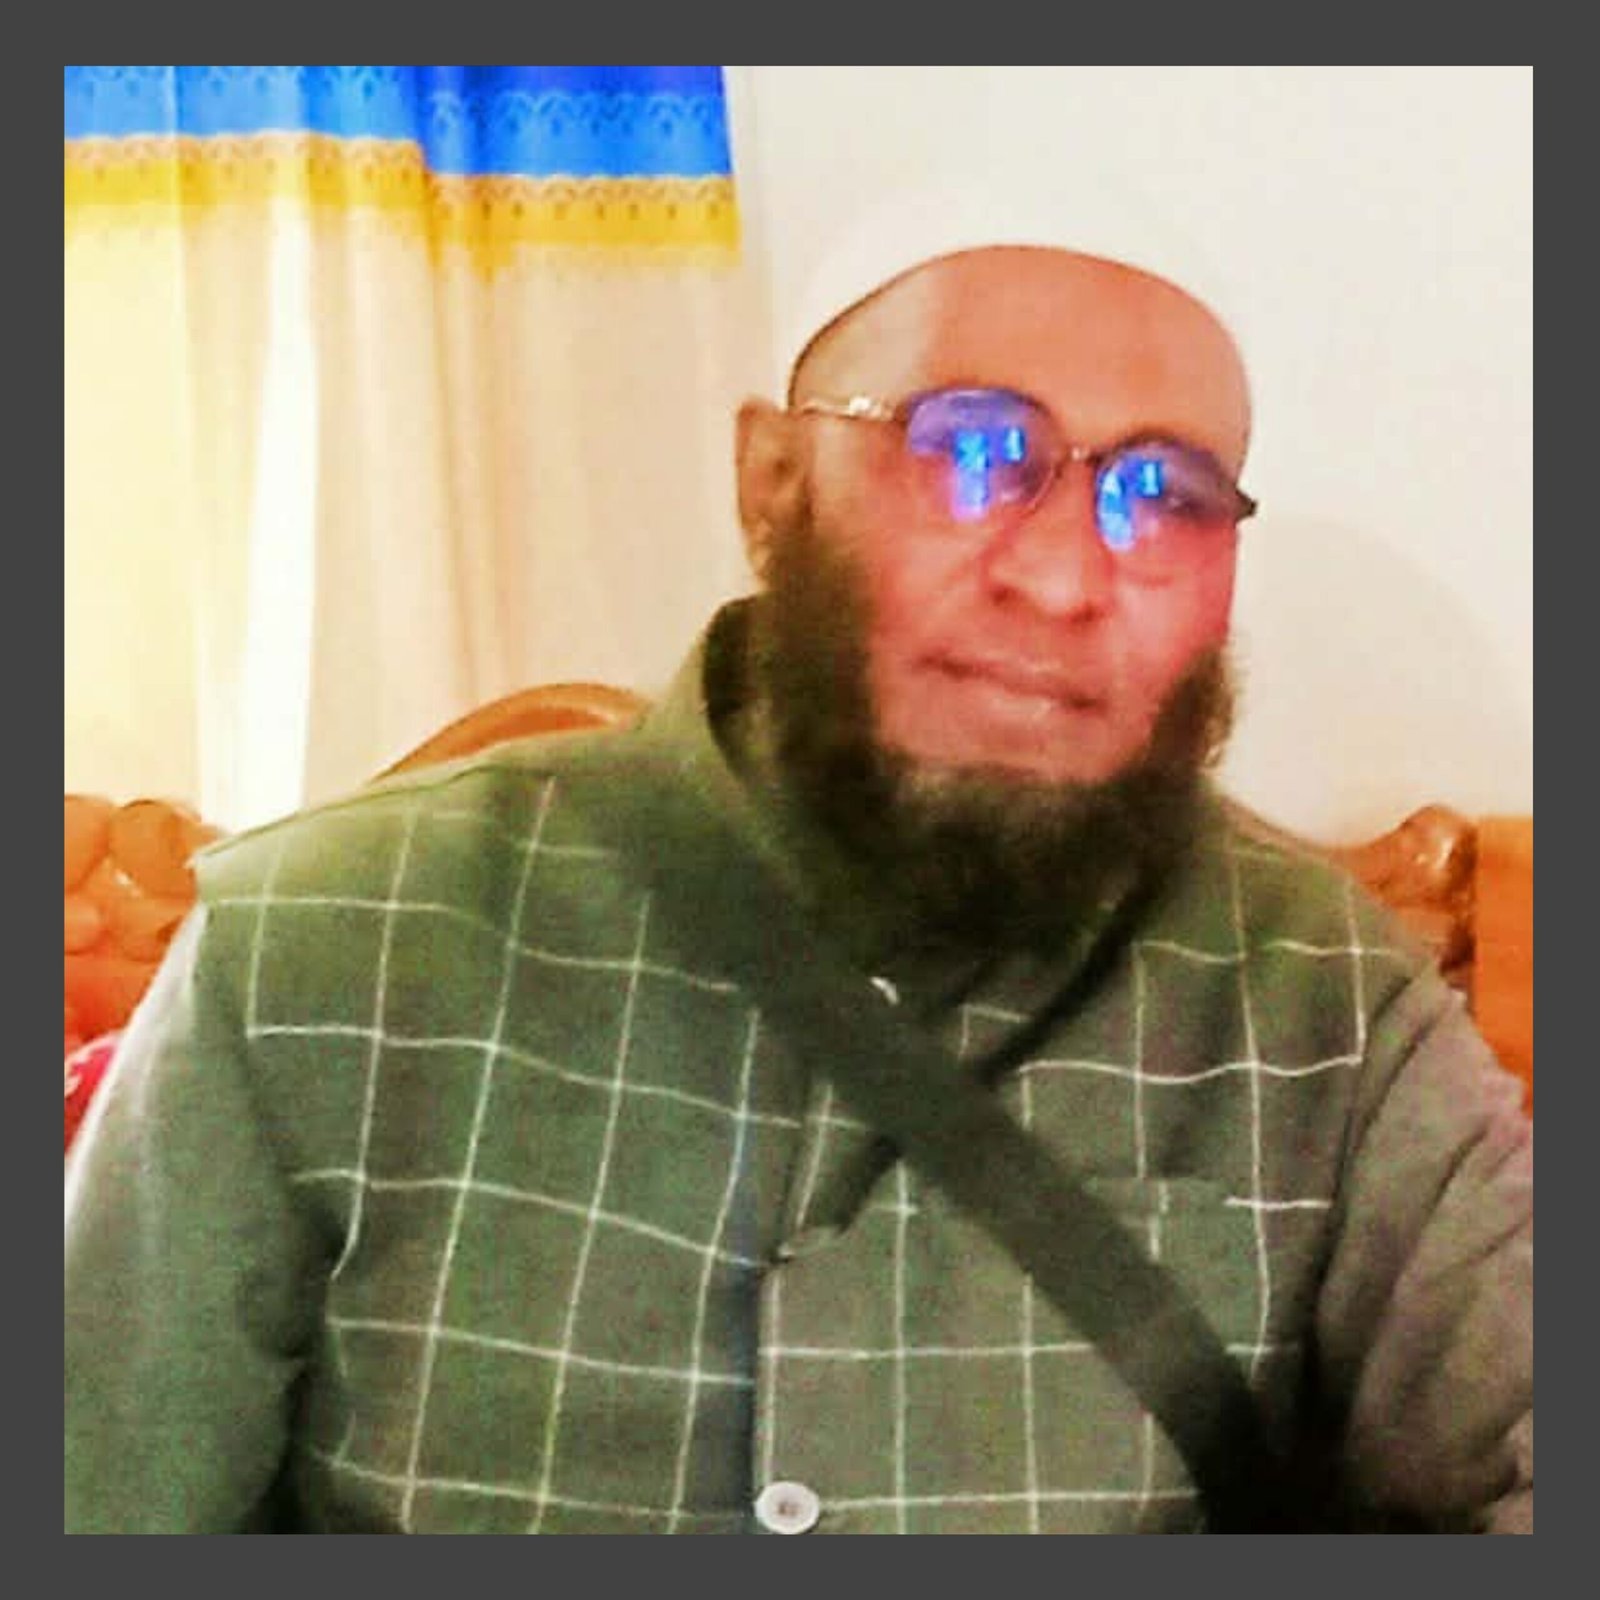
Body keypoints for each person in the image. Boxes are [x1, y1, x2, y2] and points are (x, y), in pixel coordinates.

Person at [64, 174, 1532, 1535]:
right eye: (972, 450)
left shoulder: (1333, 1011)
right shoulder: (321, 946)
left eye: (1164, 496)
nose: (1063, 574)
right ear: (771, 478)